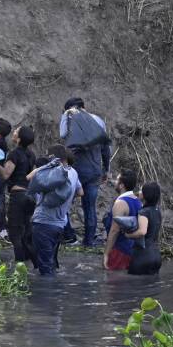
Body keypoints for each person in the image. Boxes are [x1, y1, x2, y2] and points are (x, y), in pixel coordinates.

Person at [59, 97, 112, 247]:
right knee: (90, 207)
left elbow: (63, 135)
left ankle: (69, 236)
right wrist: (106, 169)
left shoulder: (70, 120)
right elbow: (105, 148)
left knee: (63, 201)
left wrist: (65, 115)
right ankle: (88, 242)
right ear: (84, 106)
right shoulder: (98, 121)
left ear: (69, 109)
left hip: (76, 171)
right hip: (94, 171)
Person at [28, 145, 82, 276]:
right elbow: (81, 192)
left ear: (54, 158)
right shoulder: (73, 173)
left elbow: (29, 177)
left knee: (45, 269)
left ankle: (48, 294)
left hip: (43, 223)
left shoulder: (52, 173)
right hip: (60, 225)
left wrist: (47, 166)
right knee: (51, 263)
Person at [0, 124, 36, 263]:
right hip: (29, 195)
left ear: (19, 139)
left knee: (14, 233)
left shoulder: (14, 154)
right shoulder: (31, 154)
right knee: (25, 230)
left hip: (17, 196)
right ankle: (31, 261)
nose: (14, 132)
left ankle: (20, 265)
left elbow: (5, 175)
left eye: (16, 131)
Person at [102, 170, 142, 271]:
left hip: (119, 251)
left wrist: (106, 254)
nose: (114, 182)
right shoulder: (137, 201)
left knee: (113, 282)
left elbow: (114, 230)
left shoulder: (120, 203)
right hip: (133, 250)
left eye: (117, 180)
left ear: (122, 185)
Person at [127, 181, 163, 276]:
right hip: (156, 256)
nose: (139, 192)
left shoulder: (144, 212)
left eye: (141, 190)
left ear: (146, 195)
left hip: (143, 256)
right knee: (152, 287)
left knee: (135, 286)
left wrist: (128, 235)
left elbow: (142, 232)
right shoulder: (157, 211)